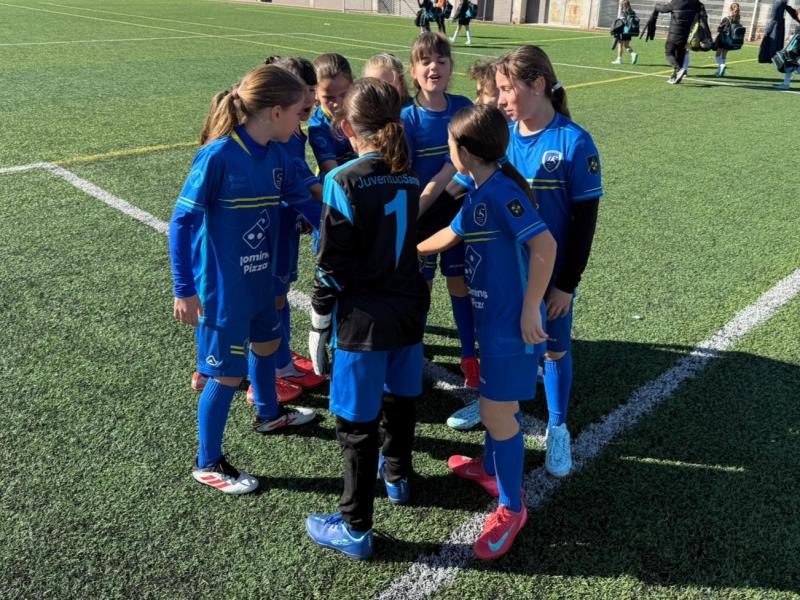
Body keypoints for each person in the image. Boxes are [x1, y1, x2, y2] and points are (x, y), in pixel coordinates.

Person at [169, 65, 321, 495]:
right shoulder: (218, 156)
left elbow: (307, 204)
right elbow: (181, 223)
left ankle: (269, 414)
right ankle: (207, 462)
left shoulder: (277, 155)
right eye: (297, 111)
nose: (301, 118)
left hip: (262, 278)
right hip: (223, 289)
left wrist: (341, 230)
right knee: (226, 376)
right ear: (274, 112)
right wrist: (185, 289)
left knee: (268, 347)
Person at [419, 104, 556, 560]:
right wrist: (400, 249)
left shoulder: (499, 193)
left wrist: (532, 308)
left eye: (451, 146)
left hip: (508, 331)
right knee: (496, 411)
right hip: (491, 325)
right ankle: (489, 467)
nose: (448, 152)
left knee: (500, 416)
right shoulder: (479, 192)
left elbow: (545, 244)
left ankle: (512, 508)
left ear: (467, 152)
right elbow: (449, 236)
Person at [305, 78, 429, 560]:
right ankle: (398, 477)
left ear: (348, 128)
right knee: (400, 401)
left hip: (364, 320)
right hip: (408, 308)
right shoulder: (408, 173)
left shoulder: (342, 180)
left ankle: (356, 528)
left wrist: (318, 320)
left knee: (356, 423)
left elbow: (332, 263)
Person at [496, 46, 603, 478]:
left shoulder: (574, 142)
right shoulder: (499, 138)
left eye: (507, 88)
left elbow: (584, 225)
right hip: (505, 273)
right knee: (504, 346)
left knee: (554, 349)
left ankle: (558, 427)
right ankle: (497, 412)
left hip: (551, 279)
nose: (501, 98)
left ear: (537, 85)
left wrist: (567, 283)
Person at [401, 32, 477, 388]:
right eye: (426, 62)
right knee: (421, 287)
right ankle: (413, 349)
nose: (435, 68)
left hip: (459, 217)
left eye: (442, 62)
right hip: (421, 220)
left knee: (460, 285)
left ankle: (469, 357)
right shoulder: (408, 118)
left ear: (451, 68)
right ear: (413, 70)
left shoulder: (463, 107)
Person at [263, 56, 327, 399]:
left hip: (286, 225)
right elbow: (294, 186)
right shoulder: (276, 136)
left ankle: (280, 359)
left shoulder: (293, 130)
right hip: (268, 232)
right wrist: (328, 220)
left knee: (279, 296)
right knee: (269, 299)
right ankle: (267, 370)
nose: (309, 99)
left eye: (312, 90)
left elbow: (301, 181)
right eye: (302, 92)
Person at [308, 53, 356, 179]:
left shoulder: (362, 110)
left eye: (344, 95)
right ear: (316, 93)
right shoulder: (318, 127)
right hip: (338, 188)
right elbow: (333, 173)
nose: (337, 104)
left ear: (353, 86)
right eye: (329, 98)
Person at [641, 0, 708, 83]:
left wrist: (656, 6)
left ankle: (679, 70)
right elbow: (701, 10)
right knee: (680, 57)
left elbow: (663, 8)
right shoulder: (694, 4)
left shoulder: (676, 2)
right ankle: (675, 77)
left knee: (668, 53)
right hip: (685, 35)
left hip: (674, 34)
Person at [712, 2, 743, 77]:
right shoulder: (738, 20)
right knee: (724, 55)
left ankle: (722, 65)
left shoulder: (726, 19)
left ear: (730, 9)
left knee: (717, 55)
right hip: (730, 40)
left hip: (723, 39)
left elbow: (720, 29)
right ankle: (719, 72)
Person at [612, 0, 640, 65]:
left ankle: (619, 60)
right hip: (630, 31)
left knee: (620, 45)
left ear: (623, 5)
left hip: (623, 31)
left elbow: (621, 22)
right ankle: (633, 53)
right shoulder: (633, 12)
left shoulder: (623, 12)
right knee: (626, 45)